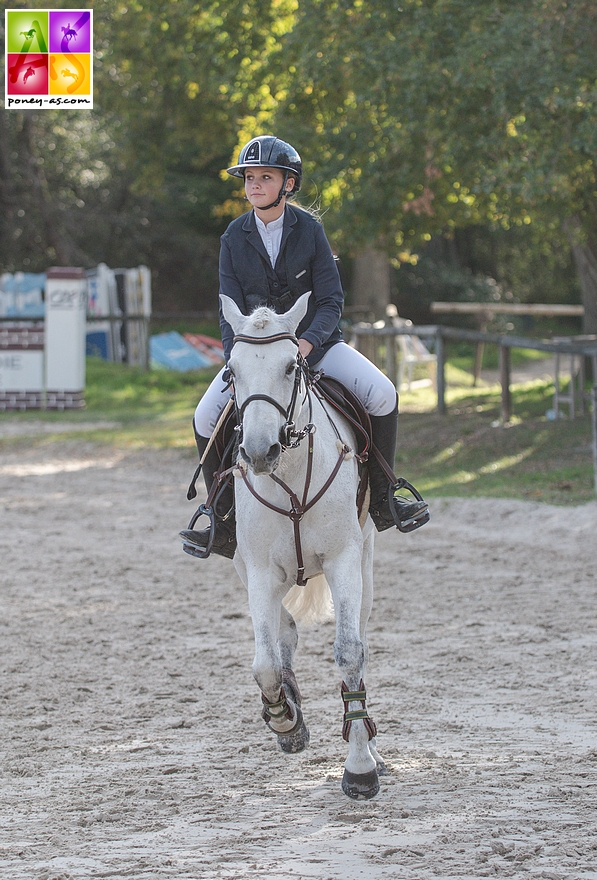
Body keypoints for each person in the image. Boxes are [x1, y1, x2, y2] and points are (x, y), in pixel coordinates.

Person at [180, 135, 428, 558]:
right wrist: (236, 359)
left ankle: (386, 498)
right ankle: (220, 518)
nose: (254, 185)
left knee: (383, 393)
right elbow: (228, 310)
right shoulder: (232, 237)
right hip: (255, 357)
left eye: (265, 177)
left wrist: (308, 344)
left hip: (317, 346)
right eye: (249, 178)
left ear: (288, 184)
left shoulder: (310, 231)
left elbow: (331, 300)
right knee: (205, 418)